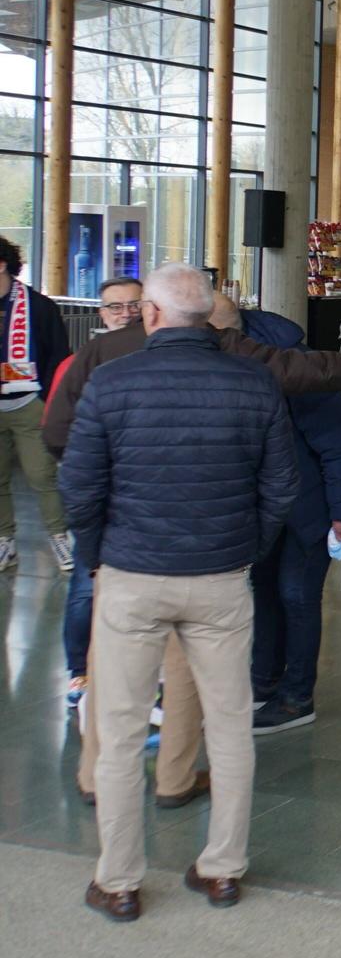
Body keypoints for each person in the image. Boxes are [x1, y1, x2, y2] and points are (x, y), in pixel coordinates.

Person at [51, 297, 341, 808]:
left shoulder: (118, 366)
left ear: (156, 312)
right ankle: (213, 815)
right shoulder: (245, 371)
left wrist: (96, 552)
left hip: (160, 556)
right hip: (223, 551)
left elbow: (68, 460)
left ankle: (291, 697)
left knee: (287, 599)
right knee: (221, 682)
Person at [61, 263, 298, 921]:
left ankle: (119, 880)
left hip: (132, 576)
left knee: (119, 732)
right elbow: (280, 487)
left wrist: (95, 558)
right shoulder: (254, 383)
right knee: (229, 730)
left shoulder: (111, 382)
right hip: (221, 579)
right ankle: (222, 869)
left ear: (153, 315)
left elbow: (78, 486)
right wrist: (245, 547)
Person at [227, 298, 341, 735]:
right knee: (266, 588)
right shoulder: (234, 362)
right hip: (269, 508)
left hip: (311, 507)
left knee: (296, 593)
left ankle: (297, 697)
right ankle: (261, 683)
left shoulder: (290, 369)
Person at [59, 276, 145, 702]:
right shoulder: (89, 358)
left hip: (141, 495)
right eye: (116, 307)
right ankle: (80, 670)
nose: (125, 314)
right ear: (101, 313)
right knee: (87, 580)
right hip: (102, 490)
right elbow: (59, 429)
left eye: (134, 305)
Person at [0, 234, 73, 574]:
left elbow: (59, 356)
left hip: (29, 403)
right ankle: (5, 542)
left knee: (42, 475)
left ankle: (60, 538)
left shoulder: (39, 306)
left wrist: (46, 400)